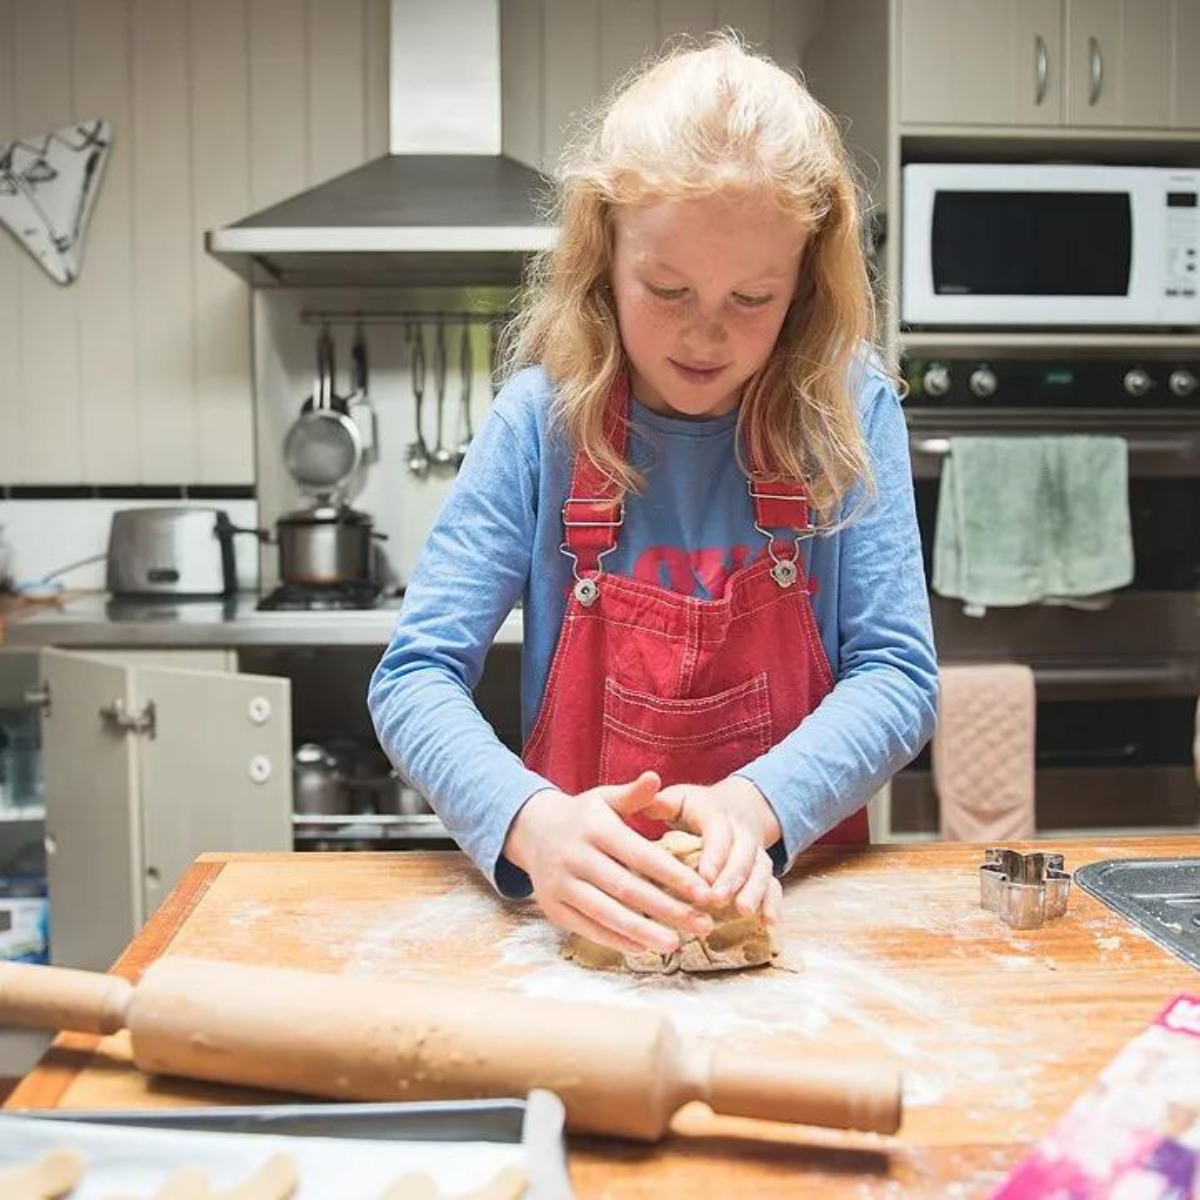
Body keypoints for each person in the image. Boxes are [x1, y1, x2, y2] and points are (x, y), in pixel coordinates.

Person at [369, 35, 938, 958]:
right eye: (666, 288)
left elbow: (899, 677)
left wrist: (754, 806)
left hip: (803, 930)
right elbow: (412, 678)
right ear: (605, 252)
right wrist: (528, 822)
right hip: (573, 930)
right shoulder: (541, 423)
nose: (705, 334)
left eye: (753, 297)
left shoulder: (848, 412)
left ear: (804, 285)